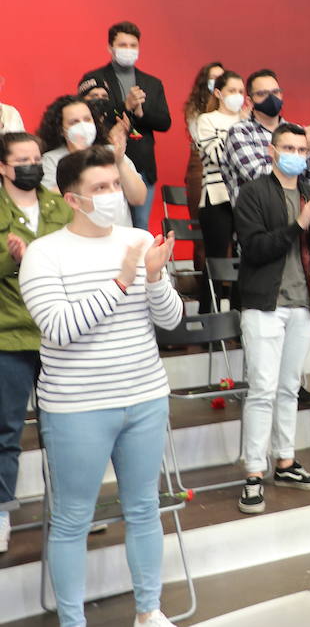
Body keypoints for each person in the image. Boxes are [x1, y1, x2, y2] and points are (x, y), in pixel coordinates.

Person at [19, 147, 180, 627]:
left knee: (144, 509)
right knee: (72, 520)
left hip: (146, 396)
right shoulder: (46, 254)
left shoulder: (137, 237)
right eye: (101, 189)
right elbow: (61, 328)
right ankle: (73, 621)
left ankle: (149, 611)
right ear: (73, 199)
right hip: (77, 407)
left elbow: (170, 321)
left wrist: (153, 278)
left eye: (116, 184)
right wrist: (123, 279)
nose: (114, 195)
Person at [232, 123, 310, 514]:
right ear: (272, 152)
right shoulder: (254, 193)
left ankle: (286, 461)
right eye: (287, 146)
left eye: (302, 149)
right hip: (265, 305)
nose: (295, 153)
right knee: (262, 388)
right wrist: (300, 222)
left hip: (303, 303)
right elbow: (256, 249)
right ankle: (255, 472)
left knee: (290, 386)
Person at [0, 132, 72, 554]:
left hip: (54, 333)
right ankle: (3, 512)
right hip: (8, 335)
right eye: (22, 159)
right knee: (7, 430)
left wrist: (40, 260)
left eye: (35, 158)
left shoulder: (57, 205)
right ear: (4, 167)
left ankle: (66, 508)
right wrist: (13, 258)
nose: (32, 165)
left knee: (60, 428)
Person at [79, 22, 171, 231]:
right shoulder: (95, 78)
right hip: (104, 162)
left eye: (133, 45)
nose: (128, 50)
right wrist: (125, 106)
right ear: (110, 48)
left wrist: (140, 113)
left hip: (142, 165)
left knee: (139, 227)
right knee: (105, 224)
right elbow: (90, 112)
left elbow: (164, 122)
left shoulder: (152, 82)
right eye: (123, 44)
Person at [222, 69, 310, 204]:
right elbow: (258, 177)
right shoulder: (240, 132)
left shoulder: (296, 131)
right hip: (256, 217)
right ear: (250, 101)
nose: (271, 98)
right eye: (262, 94)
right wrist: (306, 147)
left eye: (275, 92)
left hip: (295, 215)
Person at [38, 96, 146, 227]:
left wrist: (120, 162)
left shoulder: (113, 151)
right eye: (74, 122)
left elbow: (139, 198)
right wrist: (79, 157)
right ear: (61, 130)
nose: (83, 125)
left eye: (87, 119)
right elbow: (51, 200)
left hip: (119, 234)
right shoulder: (51, 160)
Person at [194, 71, 247, 309]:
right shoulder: (207, 120)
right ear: (218, 93)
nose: (237, 96)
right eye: (231, 91)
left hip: (244, 197)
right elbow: (215, 155)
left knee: (243, 257)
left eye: (240, 91)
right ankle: (208, 314)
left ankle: (238, 315)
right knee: (215, 259)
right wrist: (238, 131)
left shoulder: (249, 122)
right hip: (216, 197)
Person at [181, 61, 225, 214]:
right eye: (213, 77)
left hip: (225, 165)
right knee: (201, 215)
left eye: (221, 77)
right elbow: (199, 136)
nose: (217, 81)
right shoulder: (194, 108)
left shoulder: (231, 107)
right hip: (200, 162)